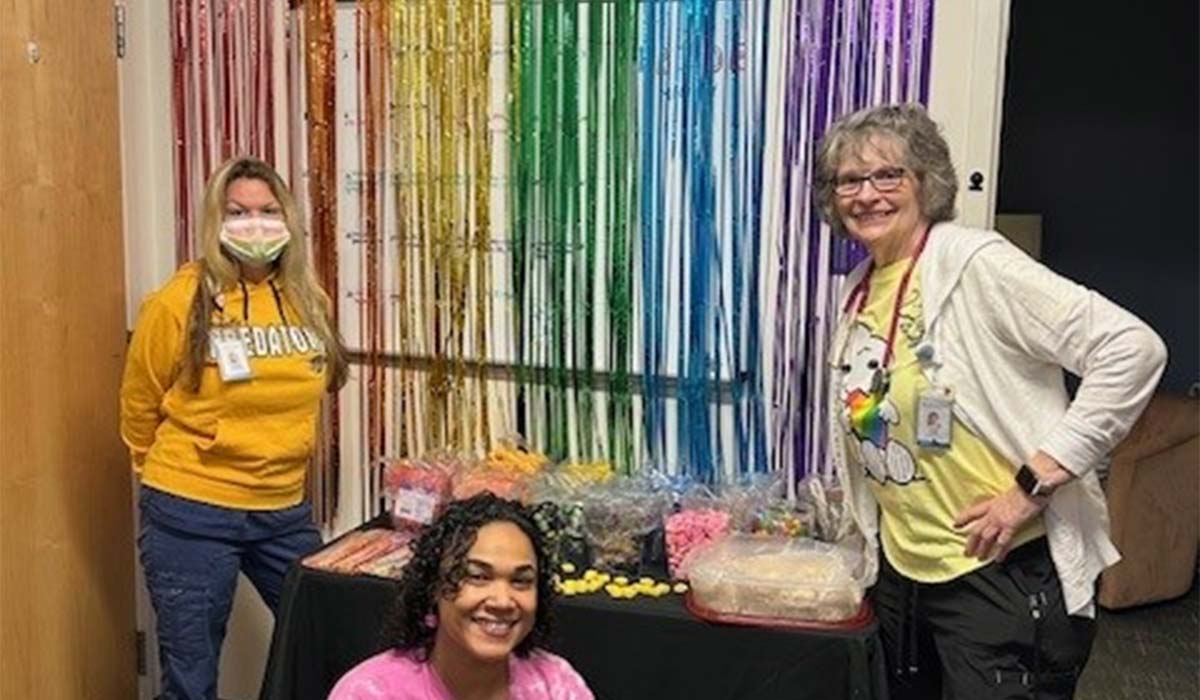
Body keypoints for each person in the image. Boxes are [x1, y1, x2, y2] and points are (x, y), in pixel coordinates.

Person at [817, 104, 1166, 699]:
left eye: (888, 175)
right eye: (849, 180)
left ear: (925, 182)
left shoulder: (976, 264)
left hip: (997, 572)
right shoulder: (860, 286)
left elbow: (1132, 349)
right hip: (904, 572)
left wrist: (1033, 483)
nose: (866, 194)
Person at [120, 156, 349, 700]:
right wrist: (167, 480)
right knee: (192, 680)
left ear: (288, 218)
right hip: (192, 511)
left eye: (268, 211)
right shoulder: (180, 300)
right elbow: (139, 404)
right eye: (238, 212)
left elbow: (319, 384)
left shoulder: (307, 298)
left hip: (283, 509)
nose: (255, 224)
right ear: (215, 220)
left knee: (330, 642)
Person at [329, 493, 594, 700]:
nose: (502, 601)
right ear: (433, 586)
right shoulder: (371, 692)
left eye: (521, 581)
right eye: (477, 576)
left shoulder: (556, 685)